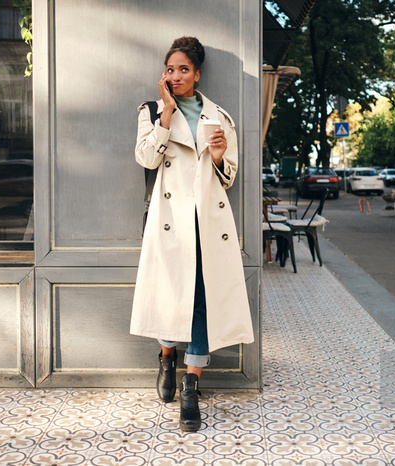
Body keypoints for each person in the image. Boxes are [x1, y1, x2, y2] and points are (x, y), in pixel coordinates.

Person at [130, 36, 254, 432]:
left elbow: (229, 176)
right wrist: (166, 116)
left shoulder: (220, 117)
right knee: (172, 294)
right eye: (170, 69)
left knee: (201, 299)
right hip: (169, 220)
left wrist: (219, 158)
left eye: (184, 69)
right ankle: (167, 355)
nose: (176, 75)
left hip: (207, 223)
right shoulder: (151, 111)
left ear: (197, 75)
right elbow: (146, 158)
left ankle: (191, 384)